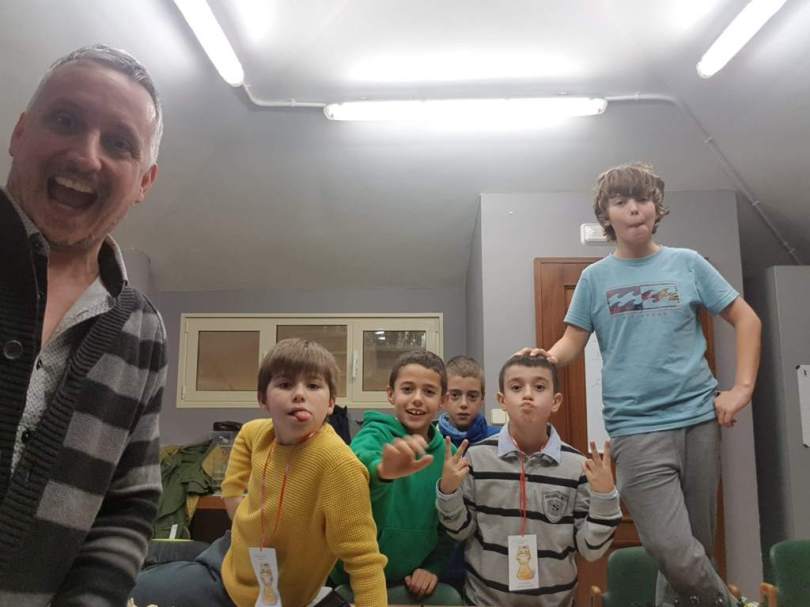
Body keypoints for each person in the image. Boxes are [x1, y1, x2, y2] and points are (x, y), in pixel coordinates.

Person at [523, 163, 761, 606]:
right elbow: (572, 340)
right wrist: (550, 357)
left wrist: (741, 389)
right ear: (606, 215)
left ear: (657, 208)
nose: (634, 209)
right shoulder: (595, 279)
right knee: (673, 550)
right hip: (636, 430)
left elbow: (746, 319)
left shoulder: (688, 263)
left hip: (699, 421)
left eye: (643, 199)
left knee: (694, 551)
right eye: (621, 201)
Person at [0, 45, 166, 605]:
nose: (85, 156)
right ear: (20, 133)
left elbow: (127, 507)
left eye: (119, 143)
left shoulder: (143, 332)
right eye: (65, 120)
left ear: (144, 181)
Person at [132, 338, 388, 606]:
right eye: (285, 384)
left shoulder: (340, 465)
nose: (299, 394)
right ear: (263, 398)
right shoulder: (259, 431)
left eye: (313, 386)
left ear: (331, 403)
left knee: (131, 587)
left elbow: (364, 562)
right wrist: (233, 499)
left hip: (245, 593)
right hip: (226, 552)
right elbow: (245, 436)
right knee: (133, 566)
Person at [436, 354, 621, 606]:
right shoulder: (476, 458)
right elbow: (459, 531)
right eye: (516, 387)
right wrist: (448, 491)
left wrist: (605, 497)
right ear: (502, 400)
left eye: (539, 387)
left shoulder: (577, 467)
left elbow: (591, 549)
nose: (527, 395)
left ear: (556, 401)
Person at [332, 350, 455, 599]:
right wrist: (382, 471)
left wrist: (432, 568)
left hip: (411, 580)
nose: (417, 399)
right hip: (354, 577)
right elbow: (359, 459)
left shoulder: (448, 454)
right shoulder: (375, 433)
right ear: (391, 394)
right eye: (407, 389)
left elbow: (448, 524)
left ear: (443, 400)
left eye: (429, 392)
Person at [438, 355, 499, 447]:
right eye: (455, 395)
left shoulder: (498, 440)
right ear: (442, 399)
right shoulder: (429, 441)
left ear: (482, 400)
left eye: (472, 396)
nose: (464, 404)